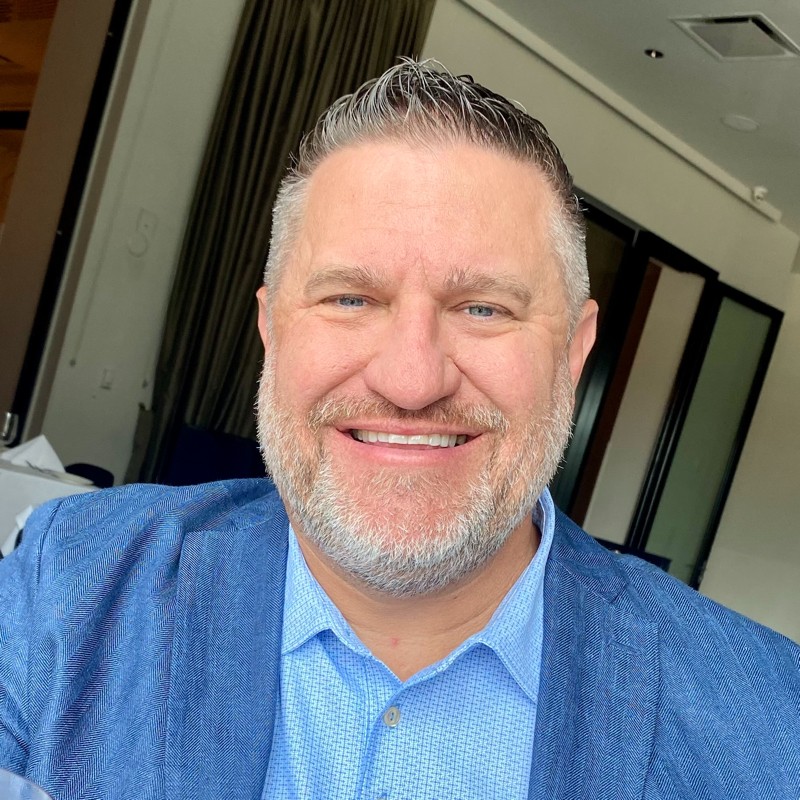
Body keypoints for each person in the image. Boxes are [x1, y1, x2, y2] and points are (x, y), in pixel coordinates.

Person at [0, 60, 798, 800]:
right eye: (350, 299)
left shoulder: (771, 724)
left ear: (573, 352)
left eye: (483, 308)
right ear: (272, 328)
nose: (411, 381)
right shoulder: (67, 585)